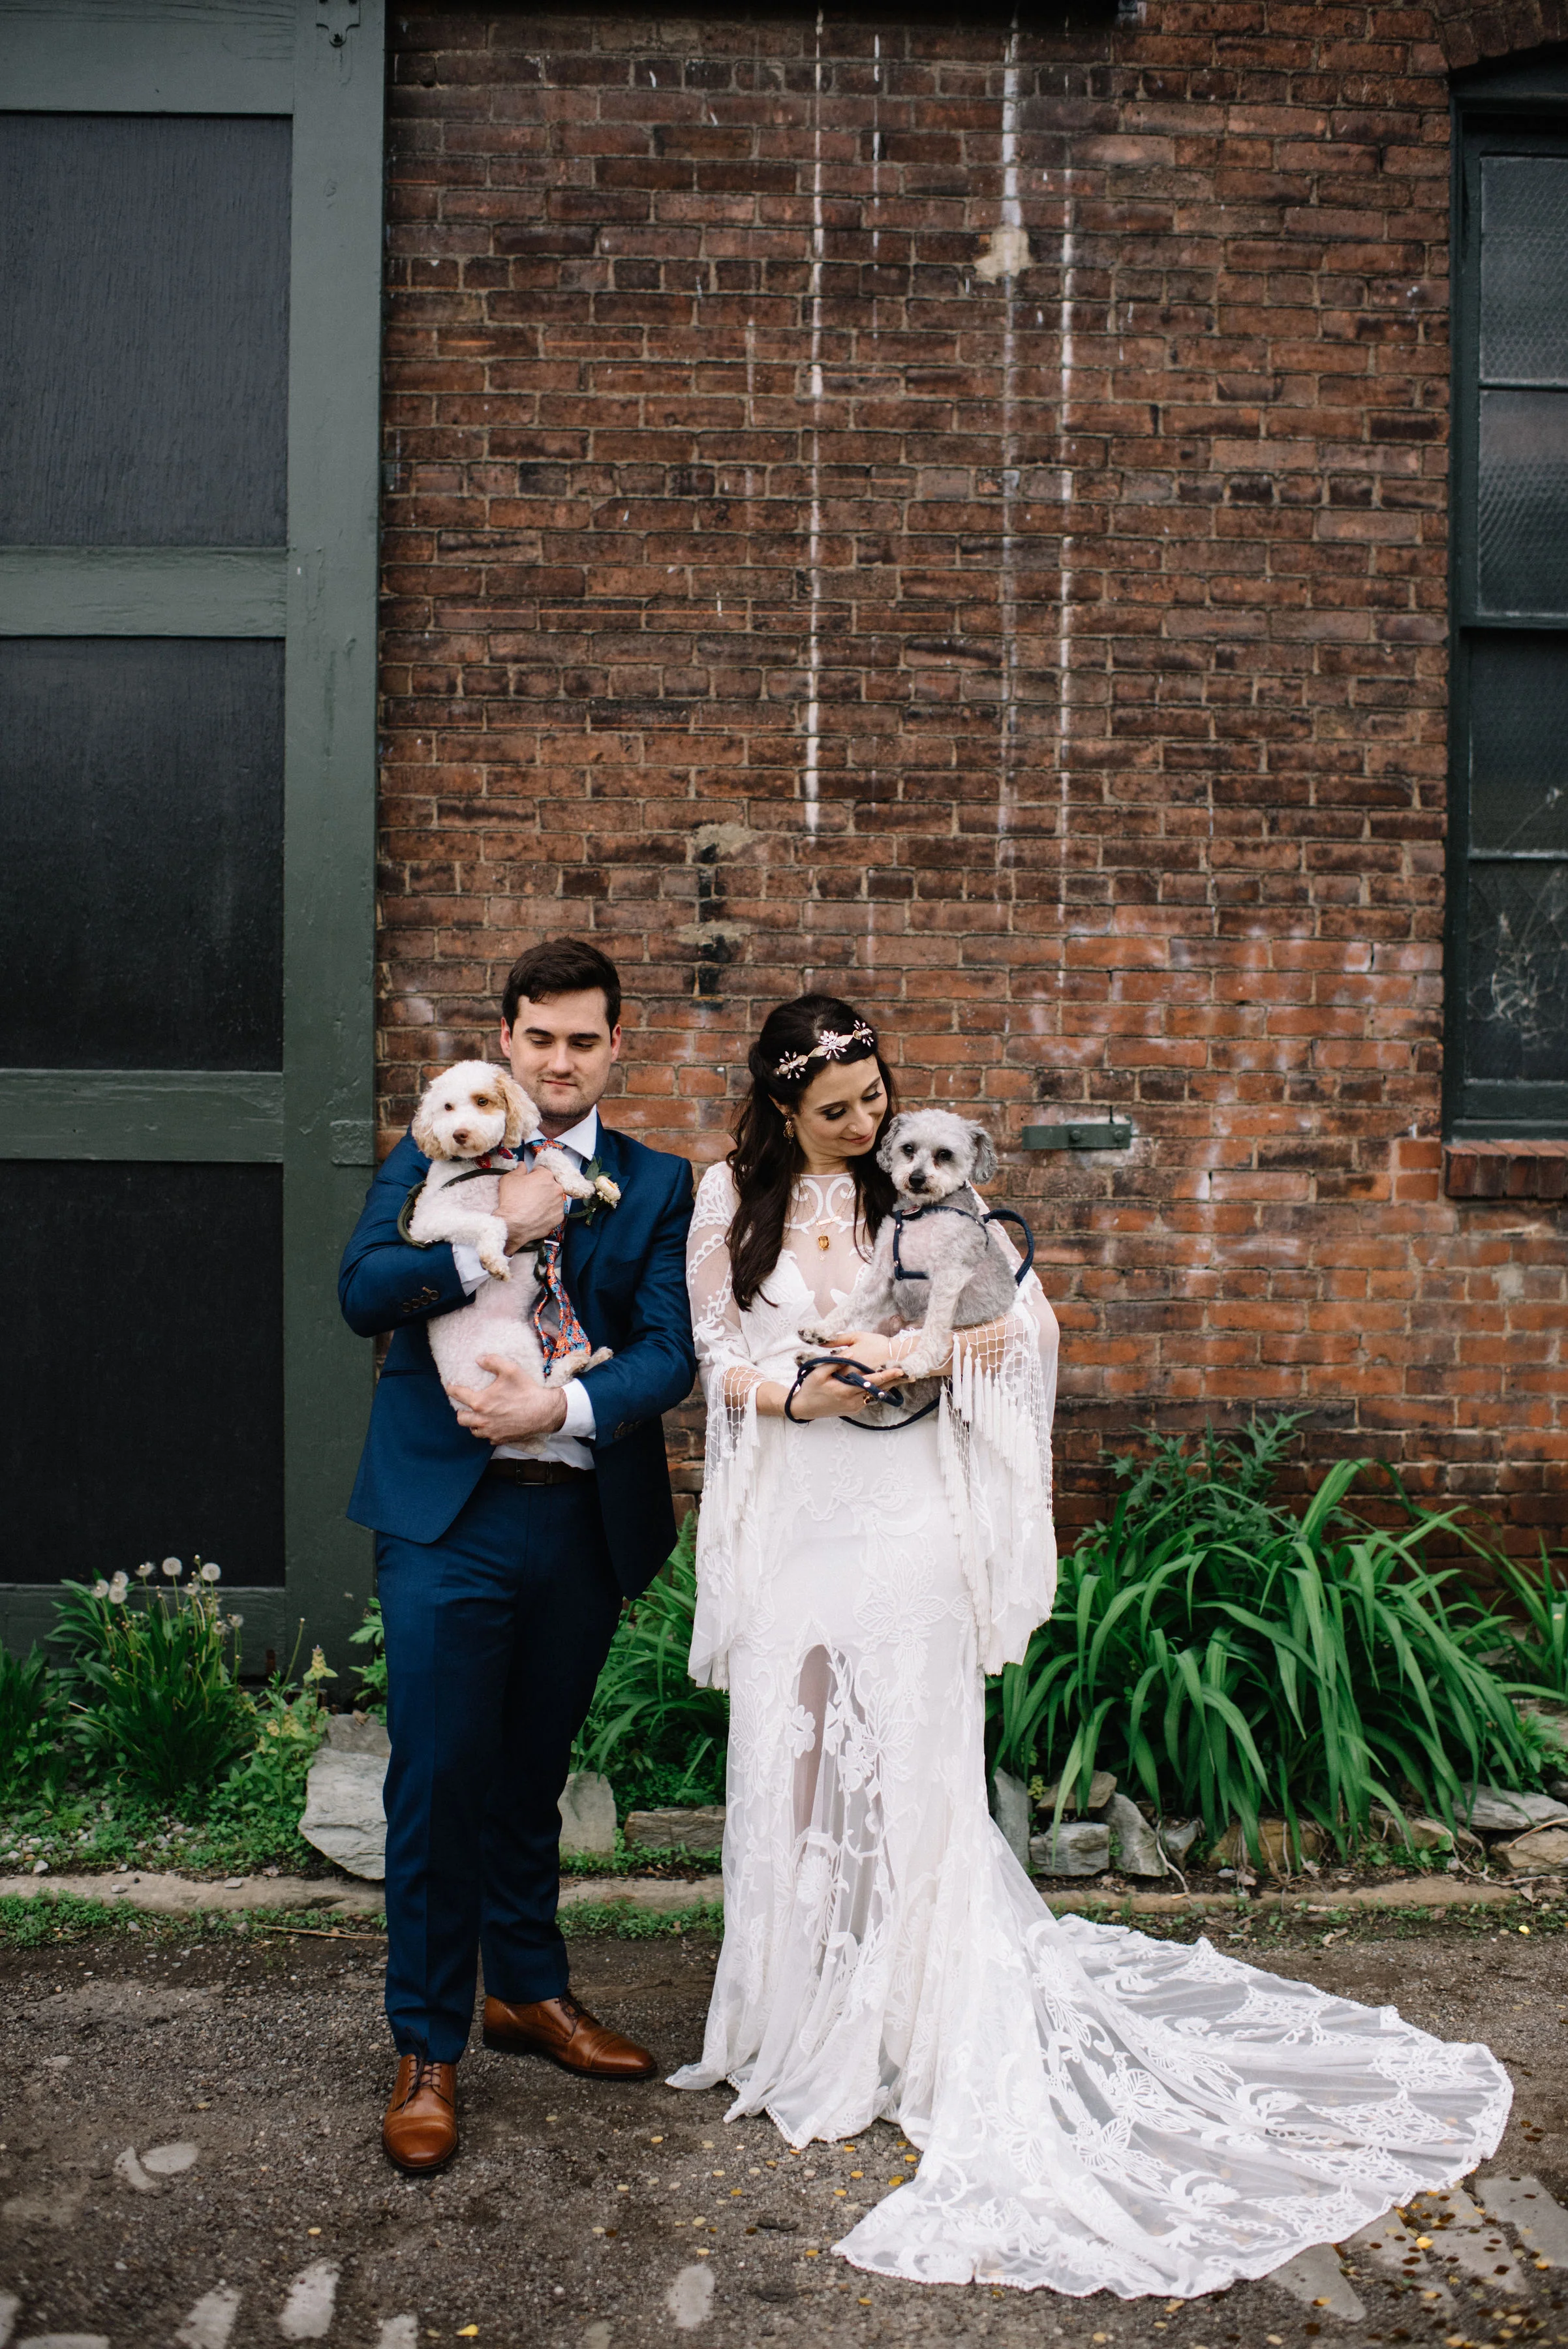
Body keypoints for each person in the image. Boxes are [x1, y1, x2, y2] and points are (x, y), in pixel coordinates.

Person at [672, 991, 1511, 2297]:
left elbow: (1026, 1323)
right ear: (782, 1108)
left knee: (918, 1763)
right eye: (837, 1112)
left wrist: (928, 1360)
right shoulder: (727, 1195)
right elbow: (713, 1354)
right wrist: (793, 1388)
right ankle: (798, 2018)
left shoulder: (922, 1187)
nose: (867, 1125)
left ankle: (920, 2025)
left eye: (875, 1099)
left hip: (904, 1517)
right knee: (796, 1763)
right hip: (798, 1513)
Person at [339, 938, 697, 2174]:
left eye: (583, 1040)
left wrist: (563, 1410)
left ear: (615, 1045)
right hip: (447, 1517)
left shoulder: (655, 1182)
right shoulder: (434, 1147)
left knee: (530, 1773)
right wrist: (494, 1224)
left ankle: (525, 1994)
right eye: (537, 1038)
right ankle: (428, 2045)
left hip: (577, 1511)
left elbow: (667, 1350)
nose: (558, 1060)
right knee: (438, 1776)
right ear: (505, 1041)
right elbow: (362, 1290)